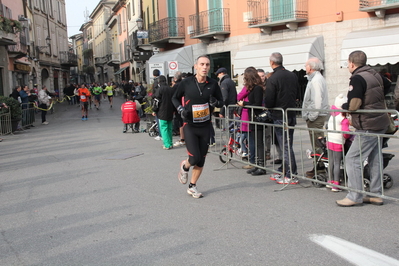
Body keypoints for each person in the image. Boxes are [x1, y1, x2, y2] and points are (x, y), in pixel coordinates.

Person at [336, 50, 391, 207]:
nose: (347, 66)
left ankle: (355, 195)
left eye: (347, 63)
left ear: (352, 63)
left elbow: (354, 105)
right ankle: (375, 194)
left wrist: (344, 106)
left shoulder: (357, 78)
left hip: (368, 124)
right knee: (374, 158)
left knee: (352, 158)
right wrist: (374, 100)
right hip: (380, 122)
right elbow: (387, 85)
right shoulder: (374, 74)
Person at [172, 55, 223, 198]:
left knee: (202, 159)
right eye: (202, 64)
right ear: (196, 66)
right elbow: (174, 97)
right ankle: (185, 166)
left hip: (206, 126)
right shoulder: (186, 83)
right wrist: (181, 109)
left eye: (207, 65)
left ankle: (192, 186)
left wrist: (216, 103)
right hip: (190, 125)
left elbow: (221, 101)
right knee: (194, 158)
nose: (205, 67)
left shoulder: (213, 84)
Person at [265, 52, 300, 185]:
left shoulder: (273, 78)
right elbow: (297, 93)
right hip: (290, 114)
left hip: (279, 115)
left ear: (272, 62)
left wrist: (269, 108)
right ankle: (285, 170)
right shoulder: (292, 75)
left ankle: (291, 174)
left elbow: (269, 99)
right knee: (287, 144)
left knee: (285, 145)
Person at [302, 57, 330, 177]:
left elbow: (316, 100)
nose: (305, 67)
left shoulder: (316, 80)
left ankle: (320, 168)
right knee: (317, 143)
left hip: (316, 117)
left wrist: (311, 116)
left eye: (306, 65)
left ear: (311, 67)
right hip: (317, 116)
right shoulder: (314, 79)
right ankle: (318, 166)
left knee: (317, 144)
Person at [237, 67, 266, 176]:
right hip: (253, 118)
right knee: (255, 141)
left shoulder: (257, 88)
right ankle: (257, 165)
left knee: (259, 143)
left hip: (257, 117)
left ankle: (261, 166)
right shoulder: (253, 88)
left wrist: (244, 104)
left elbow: (257, 104)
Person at [326, 94, 351, 192]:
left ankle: (330, 180)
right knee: (337, 163)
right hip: (338, 141)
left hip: (330, 140)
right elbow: (345, 133)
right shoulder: (342, 117)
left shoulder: (332, 114)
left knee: (331, 162)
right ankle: (336, 183)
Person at [154, 75, 176, 150]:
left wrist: (154, 110)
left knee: (164, 127)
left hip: (162, 111)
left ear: (159, 81)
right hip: (170, 110)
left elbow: (156, 101)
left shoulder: (159, 90)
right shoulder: (171, 89)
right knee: (169, 127)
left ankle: (166, 144)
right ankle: (170, 143)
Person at [171, 72, 186, 147]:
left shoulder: (175, 86)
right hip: (186, 105)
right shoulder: (184, 84)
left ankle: (182, 139)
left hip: (179, 107)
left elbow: (173, 98)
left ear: (175, 78)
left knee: (181, 123)